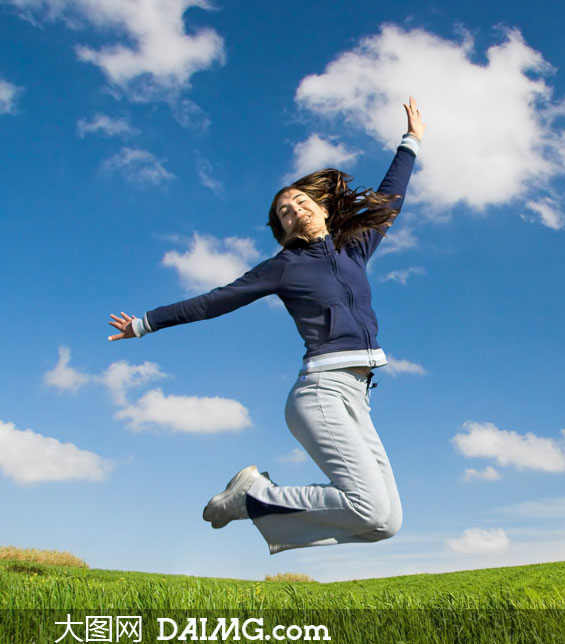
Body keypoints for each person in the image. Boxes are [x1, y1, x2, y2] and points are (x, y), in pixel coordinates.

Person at [108, 98, 426, 554]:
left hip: (359, 396)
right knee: (370, 508)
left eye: (300, 200)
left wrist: (411, 141)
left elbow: (389, 199)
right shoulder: (283, 267)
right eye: (284, 211)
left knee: (385, 522)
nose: (294, 207)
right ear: (283, 229)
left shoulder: (353, 250)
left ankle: (255, 503)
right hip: (321, 392)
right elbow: (213, 301)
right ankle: (254, 495)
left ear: (319, 207)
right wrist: (145, 323)